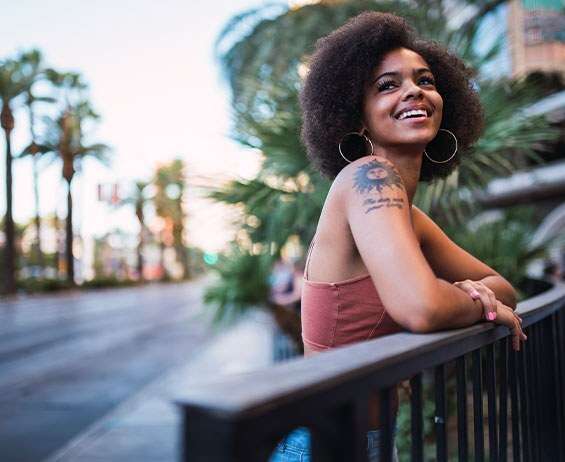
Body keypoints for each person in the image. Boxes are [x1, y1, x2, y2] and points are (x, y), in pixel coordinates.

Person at [269, 10, 526, 462]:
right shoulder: (368, 176)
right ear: (358, 118)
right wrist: (473, 299)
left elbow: (505, 287)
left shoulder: (409, 215)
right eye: (387, 85)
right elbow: (422, 307)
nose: (414, 90)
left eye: (425, 80)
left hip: (365, 438)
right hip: (324, 447)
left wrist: (469, 292)